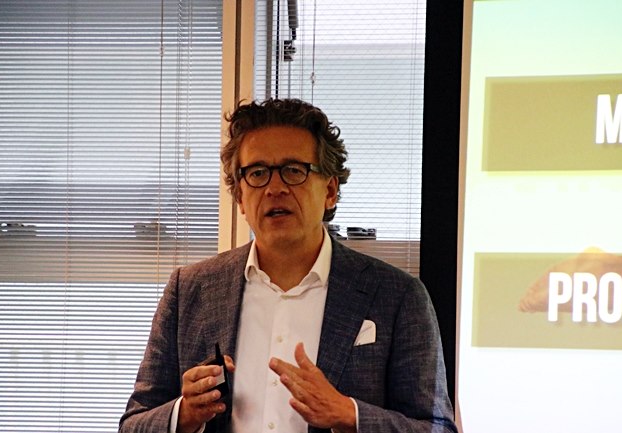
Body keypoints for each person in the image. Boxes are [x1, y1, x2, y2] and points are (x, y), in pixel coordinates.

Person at [119, 98, 457, 433]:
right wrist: (184, 415)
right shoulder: (190, 289)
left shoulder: (398, 296)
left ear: (330, 190)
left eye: (294, 170)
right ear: (240, 197)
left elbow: (436, 427)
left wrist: (349, 414)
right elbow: (134, 424)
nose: (275, 188)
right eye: (258, 173)